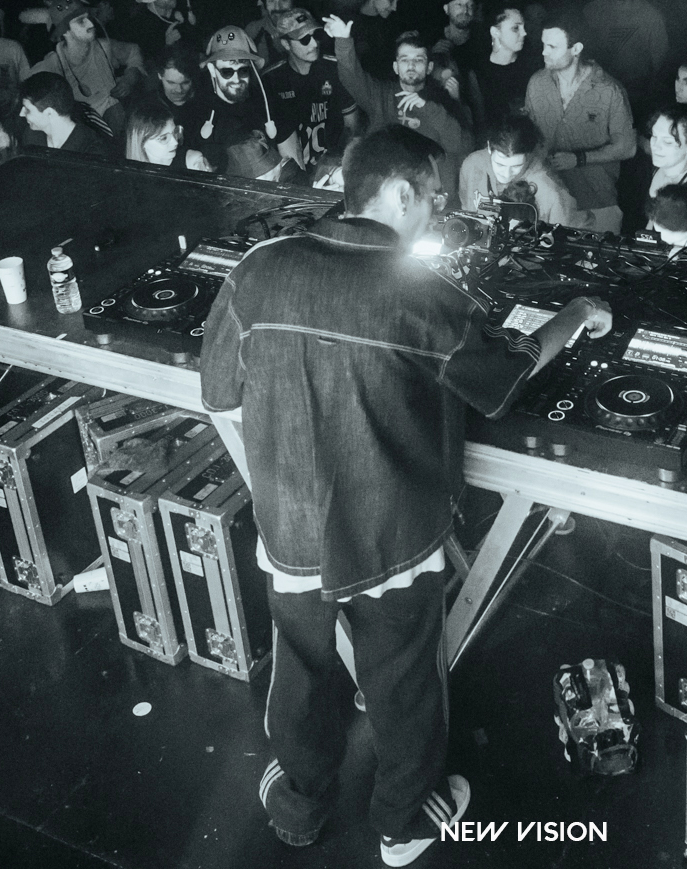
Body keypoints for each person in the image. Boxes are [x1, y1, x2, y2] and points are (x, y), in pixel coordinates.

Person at [199, 125, 612, 864]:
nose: (435, 210)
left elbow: (218, 395)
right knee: (404, 683)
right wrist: (577, 313)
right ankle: (403, 822)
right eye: (432, 197)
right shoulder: (423, 293)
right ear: (398, 192)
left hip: (289, 530)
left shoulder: (257, 269)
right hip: (394, 535)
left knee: (299, 671)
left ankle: (299, 804)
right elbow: (505, 376)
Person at [327, 18, 475, 192]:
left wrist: (429, 109)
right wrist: (343, 40)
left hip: (428, 194)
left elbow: (463, 146)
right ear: (396, 67)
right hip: (384, 189)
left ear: (429, 67)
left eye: (418, 60)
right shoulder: (382, 95)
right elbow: (352, 78)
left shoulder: (445, 99)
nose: (411, 65)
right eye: (404, 60)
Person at [524, 15, 636, 233]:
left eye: (552, 47)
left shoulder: (609, 90)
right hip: (547, 199)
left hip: (597, 201)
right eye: (543, 45)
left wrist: (579, 159)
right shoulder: (537, 83)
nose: (544, 52)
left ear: (576, 49)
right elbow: (529, 136)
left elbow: (628, 148)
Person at [33, 0, 146, 134]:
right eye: (81, 21)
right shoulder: (53, 64)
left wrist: (130, 78)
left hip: (114, 118)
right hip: (81, 126)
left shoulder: (104, 47)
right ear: (65, 31)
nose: (91, 24)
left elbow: (133, 51)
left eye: (88, 18)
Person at [262, 8, 358, 169]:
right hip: (295, 168)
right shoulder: (272, 80)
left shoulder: (335, 68)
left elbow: (352, 127)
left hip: (335, 163)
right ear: (285, 43)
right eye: (304, 39)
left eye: (316, 35)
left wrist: (339, 165)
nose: (314, 44)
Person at [183, 26, 283, 175]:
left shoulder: (265, 104)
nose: (236, 79)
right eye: (227, 72)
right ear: (212, 70)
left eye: (243, 70)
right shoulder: (195, 114)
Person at [456, 116, 576, 226]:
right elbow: (466, 211)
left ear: (529, 155)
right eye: (500, 164)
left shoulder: (550, 191)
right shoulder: (472, 165)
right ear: (489, 148)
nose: (506, 174)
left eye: (516, 166)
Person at [581, 0, 670, 97]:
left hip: (636, 94)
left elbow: (660, 65)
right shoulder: (590, 11)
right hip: (596, 92)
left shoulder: (650, 15)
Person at [466, 5, 536, 127]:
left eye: (523, 27)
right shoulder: (478, 72)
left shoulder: (531, 66)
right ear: (495, 32)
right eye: (515, 28)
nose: (524, 33)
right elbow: (480, 121)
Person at [8, 72, 108, 156]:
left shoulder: (91, 149)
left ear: (49, 113)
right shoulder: (31, 136)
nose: (21, 114)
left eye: (27, 109)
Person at [121, 97, 181, 167]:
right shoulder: (121, 172)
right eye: (164, 138)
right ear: (141, 144)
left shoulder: (187, 163)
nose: (175, 142)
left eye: (175, 133)